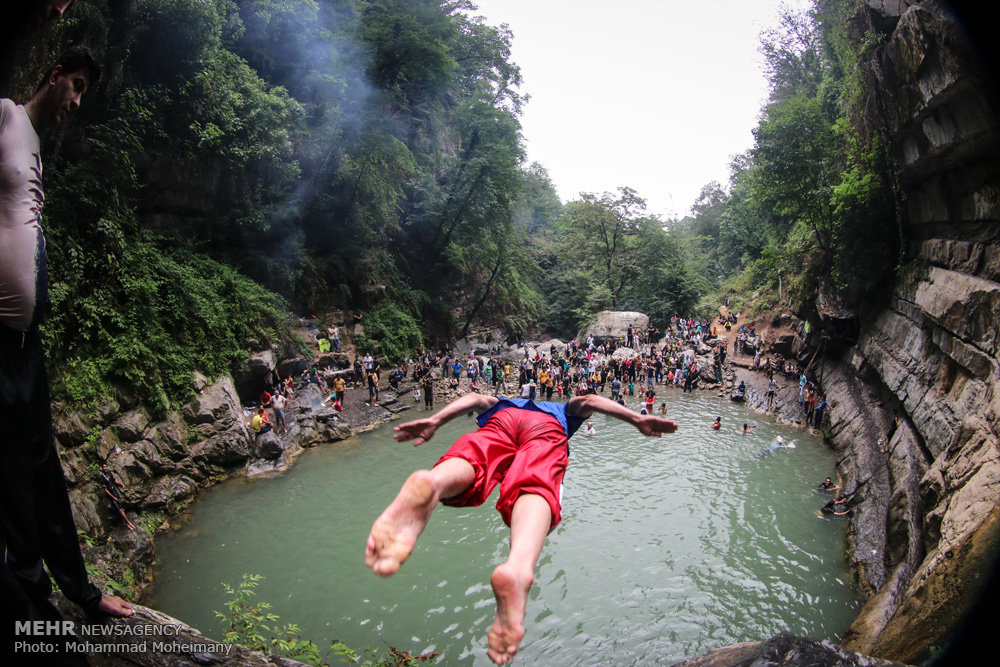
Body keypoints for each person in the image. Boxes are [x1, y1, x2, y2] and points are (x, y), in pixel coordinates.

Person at [365, 393, 678, 664]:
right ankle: (518, 565)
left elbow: (473, 400)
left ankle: (435, 482)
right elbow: (589, 401)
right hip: (546, 430)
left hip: (501, 421)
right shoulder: (561, 411)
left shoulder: (503, 404)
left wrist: (435, 420)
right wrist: (636, 418)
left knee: (474, 457)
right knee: (535, 481)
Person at [1, 47, 134, 662]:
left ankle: (80, 592)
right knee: (13, 495)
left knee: (45, 472)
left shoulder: (31, 148)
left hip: (26, 348)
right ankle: (40, 631)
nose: (75, 103)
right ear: (52, 76)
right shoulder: (5, 119)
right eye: (74, 87)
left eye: (83, 95)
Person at [98, 464, 135, 532]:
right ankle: (128, 523)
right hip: (112, 496)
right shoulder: (102, 477)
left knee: (121, 509)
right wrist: (113, 498)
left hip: (116, 493)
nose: (106, 468)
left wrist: (121, 484)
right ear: (102, 469)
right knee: (120, 510)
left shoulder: (109, 473)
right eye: (104, 467)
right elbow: (106, 490)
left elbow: (114, 481)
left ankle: (127, 522)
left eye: (106, 467)